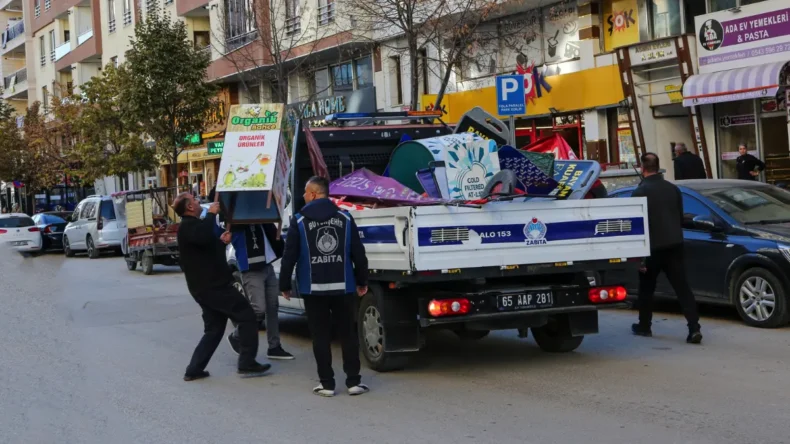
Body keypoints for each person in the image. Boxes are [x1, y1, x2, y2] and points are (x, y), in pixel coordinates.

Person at [279, 176, 370, 397]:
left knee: (320, 336)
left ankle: (327, 384)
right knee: (347, 334)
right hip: (343, 286)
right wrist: (362, 281)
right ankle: (353, 382)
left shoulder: (299, 221)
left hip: (313, 289)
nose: (302, 196)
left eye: (304, 192)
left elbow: (289, 256)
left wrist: (284, 285)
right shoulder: (345, 218)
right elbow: (358, 253)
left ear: (313, 194)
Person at [173, 192, 271, 381]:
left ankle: (194, 369)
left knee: (214, 329)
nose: (198, 200)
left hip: (207, 287)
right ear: (189, 207)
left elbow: (206, 250)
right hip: (213, 287)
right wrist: (211, 214)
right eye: (194, 200)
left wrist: (222, 242)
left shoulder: (195, 228)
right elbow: (201, 237)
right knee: (247, 316)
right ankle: (247, 363)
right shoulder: (188, 227)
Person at [631, 153, 702, 344]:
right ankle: (694, 327)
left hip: (651, 248)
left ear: (642, 168)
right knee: (682, 288)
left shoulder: (639, 192)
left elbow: (636, 227)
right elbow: (680, 218)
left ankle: (644, 326)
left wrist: (638, 257)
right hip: (674, 245)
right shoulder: (673, 189)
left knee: (646, 289)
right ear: (658, 167)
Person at [225, 221, 294, 360]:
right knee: (258, 309)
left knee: (272, 307)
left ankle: (274, 347)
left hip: (267, 266)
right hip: (251, 270)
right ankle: (236, 336)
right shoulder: (237, 219)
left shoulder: (262, 217)